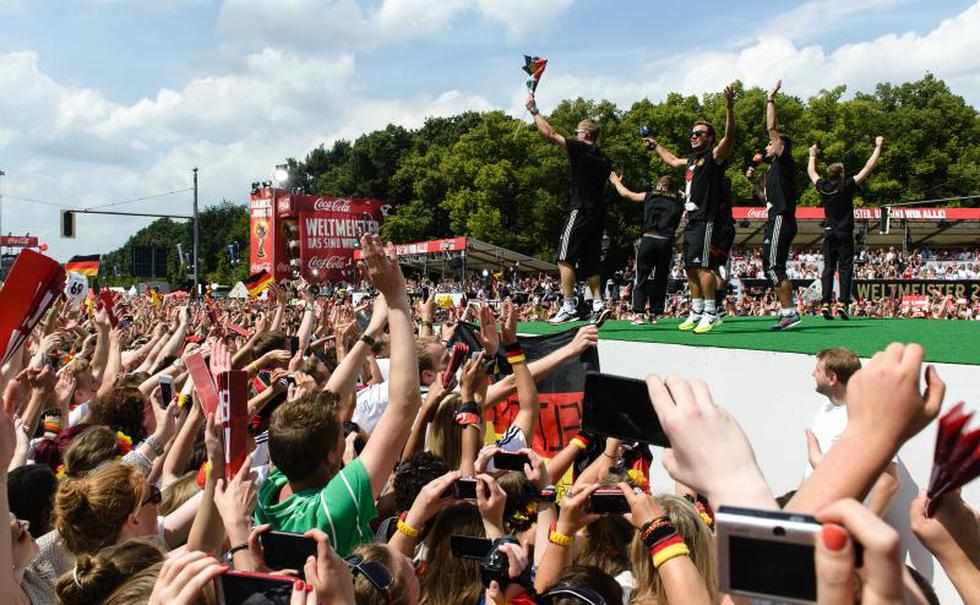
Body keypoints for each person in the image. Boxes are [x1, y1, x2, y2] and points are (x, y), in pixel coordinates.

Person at [644, 85, 736, 333]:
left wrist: (729, 108)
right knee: (691, 268)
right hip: (692, 221)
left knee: (704, 266)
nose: (693, 136)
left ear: (709, 138)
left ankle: (710, 312)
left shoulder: (714, 157)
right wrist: (656, 146)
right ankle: (696, 311)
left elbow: (729, 138)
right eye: (692, 133)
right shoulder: (692, 160)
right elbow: (673, 161)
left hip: (707, 220)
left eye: (699, 133)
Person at [525, 94, 612, 325]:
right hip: (598, 214)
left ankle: (569, 306)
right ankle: (598, 303)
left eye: (577, 133)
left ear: (584, 135)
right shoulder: (604, 158)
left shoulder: (582, 148)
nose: (575, 136)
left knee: (564, 257)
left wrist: (534, 111)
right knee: (591, 261)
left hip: (581, 209)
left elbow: (550, 134)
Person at [804, 347, 900, 517]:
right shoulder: (825, 408)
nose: (813, 374)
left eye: (817, 370)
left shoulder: (867, 418)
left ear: (832, 378)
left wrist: (863, 528)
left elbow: (888, 481)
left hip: (840, 523)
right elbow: (811, 470)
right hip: (810, 514)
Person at [808, 136, 885, 320]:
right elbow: (867, 167)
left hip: (829, 232)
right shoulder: (847, 185)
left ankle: (825, 303)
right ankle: (842, 302)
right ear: (841, 174)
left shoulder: (824, 186)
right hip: (844, 232)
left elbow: (811, 172)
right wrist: (878, 147)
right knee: (845, 267)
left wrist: (812, 155)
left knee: (828, 268)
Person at [608, 172, 683, 324]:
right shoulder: (678, 202)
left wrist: (616, 182)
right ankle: (655, 313)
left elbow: (627, 194)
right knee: (661, 278)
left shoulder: (649, 196)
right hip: (666, 241)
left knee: (641, 277)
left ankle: (638, 313)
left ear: (659, 185)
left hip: (649, 239)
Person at [758, 79, 801, 330]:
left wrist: (770, 99)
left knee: (775, 267)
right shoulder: (773, 171)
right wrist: (754, 184)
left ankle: (790, 313)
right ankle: (787, 312)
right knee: (771, 266)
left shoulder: (784, 162)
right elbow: (767, 201)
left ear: (779, 146)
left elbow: (772, 127)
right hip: (776, 217)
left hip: (781, 219)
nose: (767, 146)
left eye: (771, 143)